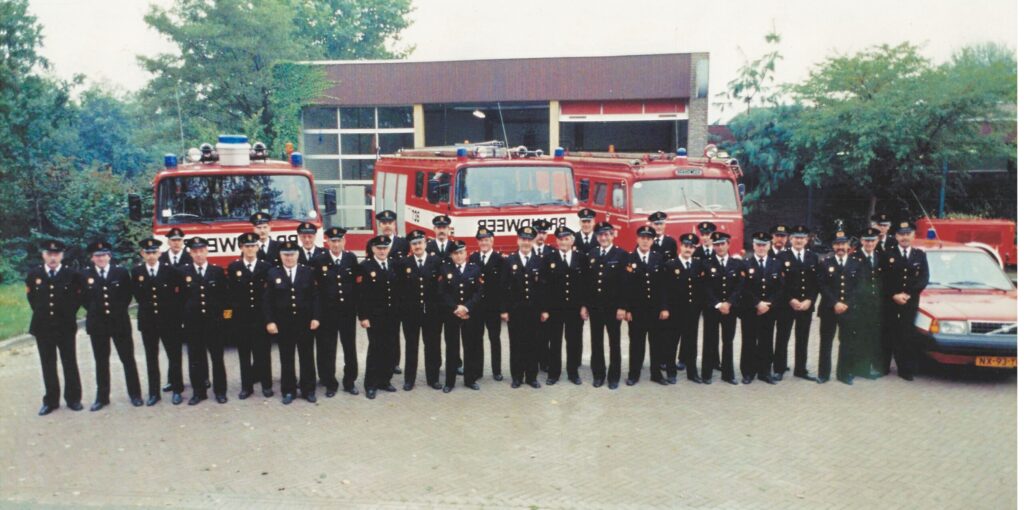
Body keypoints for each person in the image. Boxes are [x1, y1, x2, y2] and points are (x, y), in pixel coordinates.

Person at [82, 240, 142, 411]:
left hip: (119, 322)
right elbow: (85, 299)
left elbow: (127, 295)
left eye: (104, 255)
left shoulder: (121, 272)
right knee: (101, 361)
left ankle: (135, 395)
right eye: (97, 256)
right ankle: (102, 398)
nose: (101, 258)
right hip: (97, 324)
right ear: (92, 258)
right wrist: (96, 311)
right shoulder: (85, 274)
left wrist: (116, 311)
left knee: (128, 359)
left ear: (109, 256)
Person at [26, 240, 84, 416]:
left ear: (62, 256)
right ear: (43, 255)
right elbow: (33, 300)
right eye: (49, 254)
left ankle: (73, 399)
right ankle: (51, 401)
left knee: (69, 362)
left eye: (56, 254)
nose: (52, 257)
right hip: (43, 327)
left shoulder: (72, 275)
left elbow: (77, 300)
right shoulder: (34, 274)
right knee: (47, 364)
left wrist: (65, 315)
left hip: (65, 326)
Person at [263, 241, 321, 404]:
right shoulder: (273, 273)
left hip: (305, 323)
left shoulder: (308, 272)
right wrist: (270, 321)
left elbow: (315, 297)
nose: (289, 258)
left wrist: (316, 317)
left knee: (307, 357)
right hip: (283, 324)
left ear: (298, 255)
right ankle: (288, 390)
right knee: (286, 358)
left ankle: (308, 390)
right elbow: (267, 300)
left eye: (292, 254)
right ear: (280, 256)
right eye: (285, 255)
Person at [131, 238, 186, 405]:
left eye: (154, 252)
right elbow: (137, 296)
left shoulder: (170, 271)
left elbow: (180, 294)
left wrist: (176, 314)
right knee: (151, 358)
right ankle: (154, 393)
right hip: (148, 322)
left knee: (174, 356)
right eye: (147, 253)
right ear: (142, 254)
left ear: (160, 253)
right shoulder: (137, 272)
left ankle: (177, 389)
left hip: (169, 320)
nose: (151, 256)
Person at [310, 227, 361, 397]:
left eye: (339, 240)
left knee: (350, 348)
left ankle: (349, 381)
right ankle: (330, 382)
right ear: (327, 242)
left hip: (347, 313)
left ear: (344, 241)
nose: (336, 244)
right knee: (328, 349)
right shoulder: (319, 260)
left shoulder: (350, 258)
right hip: (328, 313)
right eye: (333, 241)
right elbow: (315, 291)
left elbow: (356, 285)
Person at [181, 237, 229, 405]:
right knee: (195, 359)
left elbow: (225, 298)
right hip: (193, 324)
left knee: (217, 358)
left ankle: (220, 391)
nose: (199, 254)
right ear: (190, 253)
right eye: (195, 251)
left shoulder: (217, 271)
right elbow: (180, 299)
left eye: (201, 251)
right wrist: (183, 320)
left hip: (214, 322)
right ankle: (198, 392)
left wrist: (226, 319)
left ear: (207, 251)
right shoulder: (183, 272)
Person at [581, 221, 629, 389]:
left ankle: (614, 376)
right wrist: (585, 305)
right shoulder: (592, 254)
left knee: (614, 342)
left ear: (612, 235)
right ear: (597, 237)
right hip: (595, 307)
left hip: (613, 308)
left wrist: (623, 307)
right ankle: (598, 375)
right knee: (596, 342)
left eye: (607, 234)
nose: (604, 237)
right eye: (600, 235)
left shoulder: (621, 255)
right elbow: (587, 283)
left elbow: (625, 284)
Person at [227, 233, 274, 399]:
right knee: (244, 355)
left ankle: (267, 386)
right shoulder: (234, 268)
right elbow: (230, 296)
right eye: (246, 246)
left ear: (258, 247)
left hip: (261, 318)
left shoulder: (266, 267)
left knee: (263, 353)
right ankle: (246, 387)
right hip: (242, 319)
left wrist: (270, 318)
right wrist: (230, 320)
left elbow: (270, 295)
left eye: (253, 246)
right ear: (241, 248)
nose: (250, 249)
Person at [395, 230, 443, 391]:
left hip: (432, 312)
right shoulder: (404, 263)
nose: (417, 246)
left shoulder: (436, 261)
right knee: (411, 346)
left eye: (420, 243)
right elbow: (400, 290)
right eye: (414, 244)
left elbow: (440, 288)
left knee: (433, 346)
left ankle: (433, 378)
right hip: (411, 313)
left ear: (425, 243)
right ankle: (409, 379)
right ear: (410, 246)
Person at [882, 219, 929, 381]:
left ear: (913, 235)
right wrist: (894, 294)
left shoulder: (920, 255)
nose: (904, 237)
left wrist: (908, 294)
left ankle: (905, 369)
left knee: (907, 334)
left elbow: (924, 278)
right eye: (901, 234)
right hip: (890, 300)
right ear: (895, 236)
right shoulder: (887, 253)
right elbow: (882, 278)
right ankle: (883, 367)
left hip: (910, 301)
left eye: (908, 234)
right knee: (888, 332)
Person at [500, 226, 546, 389]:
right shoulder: (509, 261)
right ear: (518, 240)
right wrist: (504, 310)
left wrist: (544, 310)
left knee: (533, 343)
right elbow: (503, 287)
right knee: (516, 344)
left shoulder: (540, 261)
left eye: (529, 239)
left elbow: (543, 288)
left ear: (533, 241)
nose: (526, 242)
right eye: (523, 239)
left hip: (533, 310)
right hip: (515, 311)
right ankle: (517, 377)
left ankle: (531, 377)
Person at [816, 228, 863, 385]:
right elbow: (822, 286)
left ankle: (844, 374)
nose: (840, 247)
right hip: (829, 309)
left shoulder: (857, 263)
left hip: (849, 310)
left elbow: (859, 287)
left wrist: (846, 304)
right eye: (837, 244)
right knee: (826, 342)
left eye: (843, 244)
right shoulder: (825, 263)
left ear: (848, 245)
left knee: (847, 342)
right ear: (833, 246)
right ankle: (823, 374)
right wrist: (835, 303)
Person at [772, 225, 819, 382]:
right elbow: (779, 282)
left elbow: (816, 283)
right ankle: (779, 368)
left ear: (807, 240)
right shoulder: (781, 257)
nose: (799, 240)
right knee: (782, 337)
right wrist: (790, 299)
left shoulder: (813, 257)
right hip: (787, 305)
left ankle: (801, 369)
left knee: (803, 338)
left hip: (805, 305)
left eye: (802, 238)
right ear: (790, 239)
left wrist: (809, 300)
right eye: (796, 237)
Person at [540, 226, 586, 385]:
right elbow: (543, 286)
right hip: (555, 308)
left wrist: (584, 306)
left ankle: (573, 373)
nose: (563, 242)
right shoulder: (548, 258)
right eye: (560, 239)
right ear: (556, 241)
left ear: (572, 240)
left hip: (574, 308)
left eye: (566, 239)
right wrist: (545, 309)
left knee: (573, 340)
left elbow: (586, 285)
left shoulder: (581, 258)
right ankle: (554, 373)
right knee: (555, 341)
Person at [623, 226, 669, 386]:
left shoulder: (658, 258)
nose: (645, 240)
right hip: (637, 311)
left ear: (652, 241)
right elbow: (626, 287)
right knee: (636, 344)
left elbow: (663, 285)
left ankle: (656, 374)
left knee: (656, 343)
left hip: (655, 310)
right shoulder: (629, 259)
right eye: (642, 237)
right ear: (637, 239)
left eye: (648, 238)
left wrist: (664, 307)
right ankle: (633, 374)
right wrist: (627, 309)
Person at [739, 232, 784, 385]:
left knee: (766, 341)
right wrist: (757, 303)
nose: (761, 247)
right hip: (750, 310)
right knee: (749, 341)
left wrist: (768, 303)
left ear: (769, 246)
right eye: (758, 244)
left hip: (769, 310)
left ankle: (765, 372)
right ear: (753, 246)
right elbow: (743, 288)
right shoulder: (745, 264)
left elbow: (780, 288)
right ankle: (748, 372)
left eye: (764, 245)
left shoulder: (776, 263)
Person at [438, 241, 484, 392]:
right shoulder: (445, 269)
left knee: (470, 346)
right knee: (452, 348)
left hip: (470, 315)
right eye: (456, 253)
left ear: (466, 253)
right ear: (451, 255)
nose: (459, 256)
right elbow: (442, 292)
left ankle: (469, 380)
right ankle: (449, 382)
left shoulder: (475, 269)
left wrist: (467, 307)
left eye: (461, 252)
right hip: (452, 315)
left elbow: (479, 293)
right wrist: (456, 308)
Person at [358, 235, 400, 399]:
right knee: (375, 349)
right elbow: (361, 295)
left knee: (390, 348)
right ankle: (371, 384)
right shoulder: (365, 266)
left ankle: (385, 380)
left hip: (392, 315)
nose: (382, 251)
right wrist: (363, 317)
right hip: (375, 317)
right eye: (379, 248)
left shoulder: (394, 265)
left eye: (385, 248)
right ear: (373, 249)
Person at [702, 231, 744, 385]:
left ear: (728, 244)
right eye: (716, 244)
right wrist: (718, 304)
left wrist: (729, 303)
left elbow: (739, 286)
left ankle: (728, 374)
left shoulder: (736, 264)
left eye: (722, 244)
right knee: (710, 340)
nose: (719, 247)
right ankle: (706, 374)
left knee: (728, 341)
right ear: (713, 246)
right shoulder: (706, 264)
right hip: (712, 309)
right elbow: (705, 287)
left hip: (730, 309)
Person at [662, 233, 704, 384]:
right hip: (675, 311)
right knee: (671, 343)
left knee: (690, 343)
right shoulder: (670, 265)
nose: (688, 249)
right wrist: (665, 308)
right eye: (686, 246)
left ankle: (692, 373)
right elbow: (664, 290)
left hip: (692, 312)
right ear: (681, 246)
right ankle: (671, 372)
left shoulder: (698, 264)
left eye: (691, 247)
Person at [469, 227, 505, 381]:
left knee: (494, 339)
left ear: (492, 241)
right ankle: (478, 370)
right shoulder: (473, 258)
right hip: (477, 308)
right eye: (481, 240)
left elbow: (503, 286)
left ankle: (496, 370)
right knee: (477, 339)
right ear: (478, 242)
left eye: (487, 240)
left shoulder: (500, 260)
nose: (484, 243)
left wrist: (503, 309)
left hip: (493, 308)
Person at [850, 227, 886, 379]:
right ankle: (857, 368)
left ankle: (867, 367)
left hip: (875, 305)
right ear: (861, 241)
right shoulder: (854, 258)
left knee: (872, 336)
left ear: (877, 241)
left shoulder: (880, 256)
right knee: (858, 337)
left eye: (872, 240)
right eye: (866, 240)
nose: (869, 243)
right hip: (859, 305)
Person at [159, 228, 191, 394]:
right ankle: (173, 380)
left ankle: (202, 378)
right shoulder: (161, 258)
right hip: (169, 310)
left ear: (183, 241)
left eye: (179, 240)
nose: (176, 243)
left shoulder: (190, 257)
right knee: (173, 348)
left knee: (195, 346)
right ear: (168, 242)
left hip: (189, 308)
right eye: (173, 240)